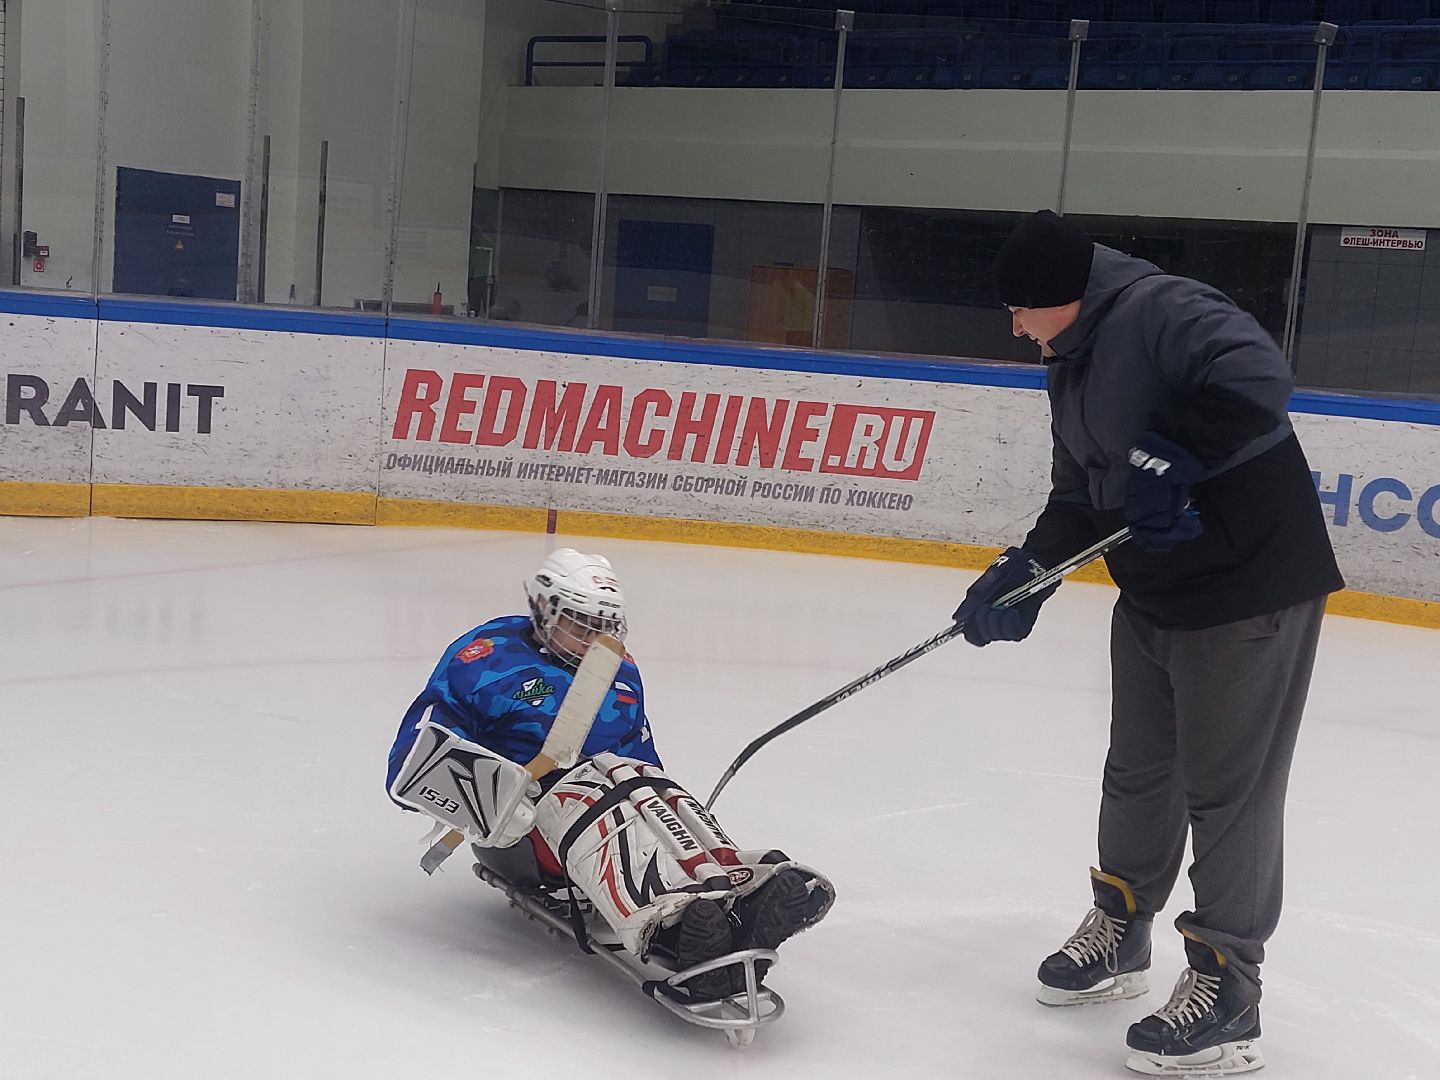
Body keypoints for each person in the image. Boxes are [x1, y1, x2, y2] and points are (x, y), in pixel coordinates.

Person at [953, 211, 1344, 1075]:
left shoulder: (1159, 308)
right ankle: (1122, 927)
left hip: (1249, 584)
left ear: (1067, 296)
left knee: (1228, 791)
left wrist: (1175, 456)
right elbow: (1080, 493)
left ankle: (1227, 985)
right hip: (1156, 589)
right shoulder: (1068, 362)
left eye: (1023, 311)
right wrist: (1029, 571)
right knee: (1138, 768)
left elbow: (1259, 375)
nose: (1016, 328)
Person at [386, 548, 834, 1002]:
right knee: (592, 797)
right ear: (545, 609)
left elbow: (640, 758)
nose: (593, 639)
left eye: (604, 626)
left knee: (649, 787)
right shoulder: (482, 658)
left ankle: (733, 889)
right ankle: (674, 937)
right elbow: (412, 761)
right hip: (517, 832)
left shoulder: (619, 668)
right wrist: (492, 796)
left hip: (603, 796)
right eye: (581, 624)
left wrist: (656, 803)